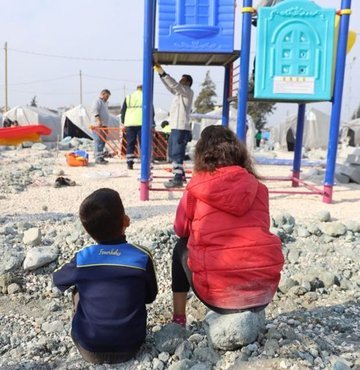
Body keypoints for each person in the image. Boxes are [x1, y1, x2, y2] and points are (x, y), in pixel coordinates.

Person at [170, 125, 284, 327]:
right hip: (263, 291)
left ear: (202, 154)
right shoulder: (259, 188)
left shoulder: (196, 188)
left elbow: (180, 229)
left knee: (180, 246)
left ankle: (178, 319)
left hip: (218, 296)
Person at [53, 188, 158, 364]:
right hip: (131, 346)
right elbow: (150, 296)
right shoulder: (141, 256)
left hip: (89, 348)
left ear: (88, 231)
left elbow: (57, 281)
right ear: (126, 220)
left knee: (78, 287)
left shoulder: (83, 258)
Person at [154, 64, 194, 188]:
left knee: (177, 154)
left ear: (187, 82)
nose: (180, 80)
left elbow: (174, 85)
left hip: (181, 127)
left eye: (182, 79)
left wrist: (163, 72)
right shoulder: (180, 93)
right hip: (176, 126)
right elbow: (170, 86)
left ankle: (177, 179)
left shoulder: (186, 91)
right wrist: (161, 75)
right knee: (173, 153)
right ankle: (180, 176)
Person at [121, 85, 143, 170]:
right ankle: (145, 163)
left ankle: (129, 163)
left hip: (130, 123)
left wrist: (123, 122)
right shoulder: (146, 95)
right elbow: (151, 110)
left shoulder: (129, 97)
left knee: (130, 144)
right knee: (143, 144)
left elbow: (123, 111)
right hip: (142, 123)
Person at [91, 89, 111, 165]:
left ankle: (101, 157)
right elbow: (95, 111)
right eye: (107, 96)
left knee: (102, 142)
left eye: (108, 97)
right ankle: (97, 158)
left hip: (104, 125)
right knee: (98, 141)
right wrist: (98, 120)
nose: (107, 98)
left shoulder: (105, 103)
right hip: (97, 125)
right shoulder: (97, 101)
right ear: (103, 94)